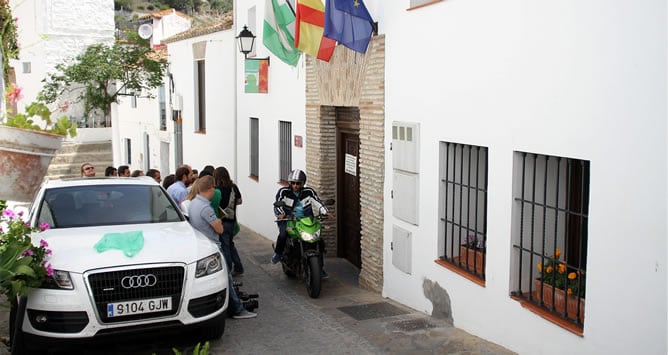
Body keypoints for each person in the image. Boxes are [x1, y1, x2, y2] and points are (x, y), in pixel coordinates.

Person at [186, 176, 256, 320]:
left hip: (202, 244)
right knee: (227, 279)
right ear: (211, 189)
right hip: (212, 245)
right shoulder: (205, 208)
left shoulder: (193, 203)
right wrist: (219, 220)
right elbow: (219, 229)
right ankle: (237, 310)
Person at [272, 169, 330, 278]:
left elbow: (317, 202)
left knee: (319, 241)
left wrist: (325, 211)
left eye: (298, 183)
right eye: (293, 183)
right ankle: (278, 253)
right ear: (290, 183)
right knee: (283, 234)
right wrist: (281, 214)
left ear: (302, 183)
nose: (295, 186)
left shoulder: (309, 192)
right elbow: (277, 204)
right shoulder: (283, 192)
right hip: (288, 220)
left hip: (306, 221)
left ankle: (320, 268)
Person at [214, 166, 244, 276]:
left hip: (222, 221)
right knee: (230, 244)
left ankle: (228, 269)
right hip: (232, 220)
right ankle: (239, 267)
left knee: (225, 246)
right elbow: (240, 201)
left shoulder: (217, 190)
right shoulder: (233, 187)